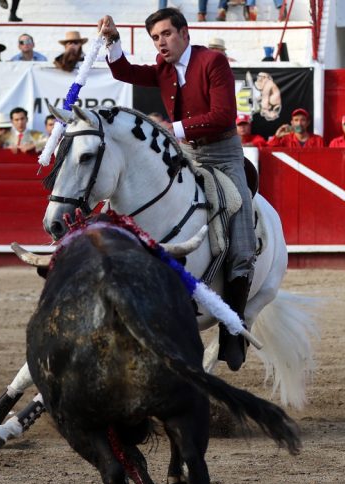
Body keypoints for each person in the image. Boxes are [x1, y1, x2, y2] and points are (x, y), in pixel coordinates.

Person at [99, 7, 256, 371]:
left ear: (185, 33)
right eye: (155, 38)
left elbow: (223, 115)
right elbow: (124, 72)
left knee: (242, 238)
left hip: (223, 155)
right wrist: (112, 40)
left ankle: (233, 330)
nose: (161, 43)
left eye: (166, 34)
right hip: (186, 152)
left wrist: (175, 129)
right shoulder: (164, 68)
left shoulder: (212, 61)